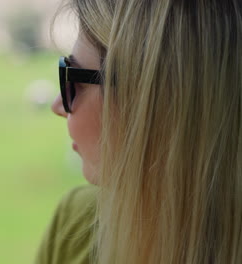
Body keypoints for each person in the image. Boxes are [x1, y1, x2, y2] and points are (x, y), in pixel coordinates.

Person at [36, 0, 242, 263]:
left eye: (72, 77)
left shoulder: (79, 232)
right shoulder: (74, 222)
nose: (58, 106)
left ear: (154, 102)